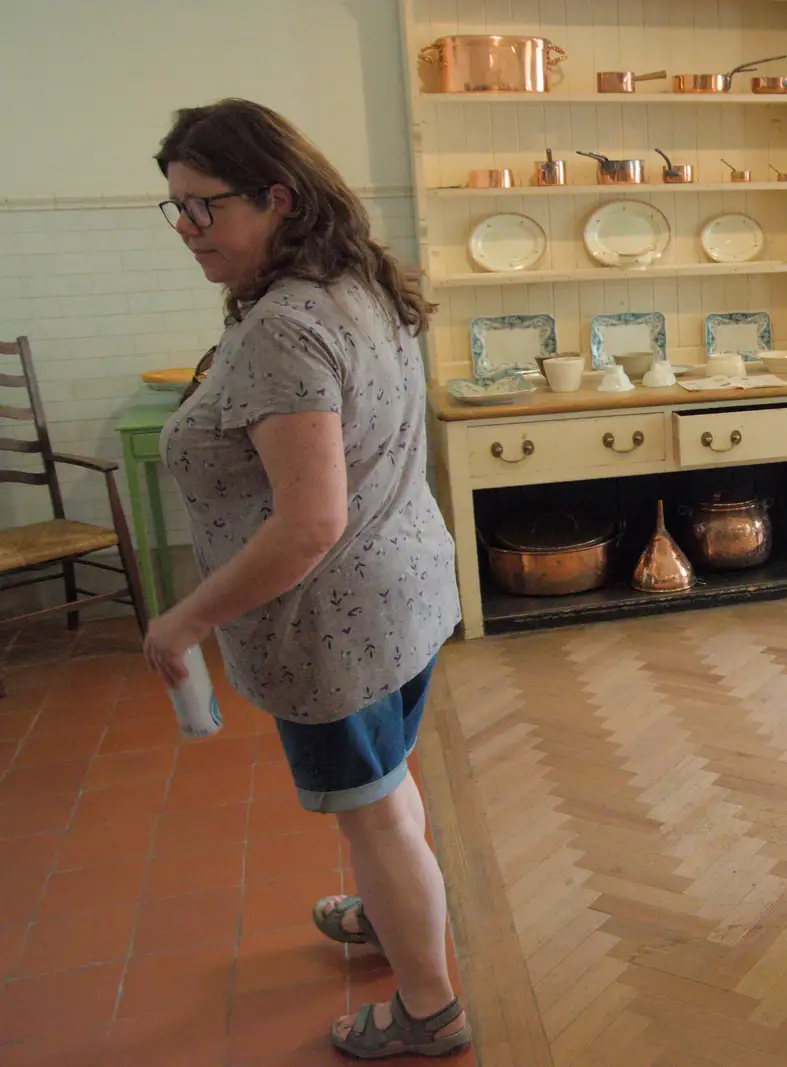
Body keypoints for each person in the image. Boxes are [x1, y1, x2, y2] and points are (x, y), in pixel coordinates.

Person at [144, 98, 469, 1059]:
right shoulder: (355, 280)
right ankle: (390, 913)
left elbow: (309, 523)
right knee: (386, 789)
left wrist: (187, 619)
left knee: (373, 814)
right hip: (401, 590)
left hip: (336, 622)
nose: (186, 231)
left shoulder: (286, 328)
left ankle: (428, 1009)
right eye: (173, 208)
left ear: (276, 197)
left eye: (204, 207)